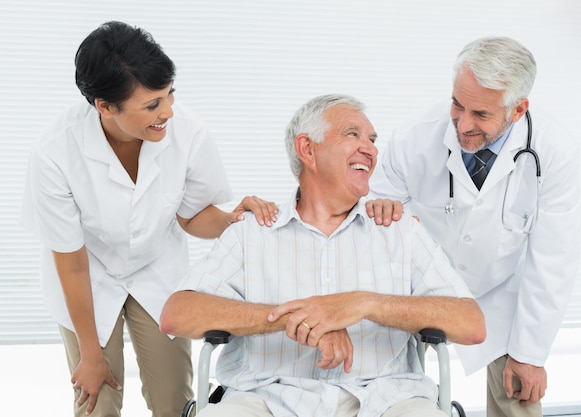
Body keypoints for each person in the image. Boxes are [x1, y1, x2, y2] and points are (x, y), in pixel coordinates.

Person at [160, 94, 486, 417]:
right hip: (267, 398)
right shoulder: (252, 230)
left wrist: (364, 303)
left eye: (372, 139)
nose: (370, 148)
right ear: (308, 150)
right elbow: (178, 314)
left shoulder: (398, 229)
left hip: (388, 398)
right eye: (352, 134)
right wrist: (302, 318)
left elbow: (471, 325)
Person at [21, 21, 277, 417]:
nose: (168, 112)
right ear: (104, 106)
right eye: (152, 104)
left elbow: (193, 217)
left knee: (174, 399)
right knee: (96, 399)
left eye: (169, 95)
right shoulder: (55, 153)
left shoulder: (186, 131)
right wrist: (90, 356)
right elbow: (71, 264)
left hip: (156, 268)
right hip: (87, 274)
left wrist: (232, 220)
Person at [367, 36, 581, 417]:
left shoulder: (553, 150)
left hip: (502, 292)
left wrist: (530, 354)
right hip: (421, 288)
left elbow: (553, 259)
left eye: (480, 115)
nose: (463, 124)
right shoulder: (415, 137)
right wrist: (387, 215)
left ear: (518, 109)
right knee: (384, 391)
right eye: (456, 104)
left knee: (518, 395)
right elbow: (377, 211)